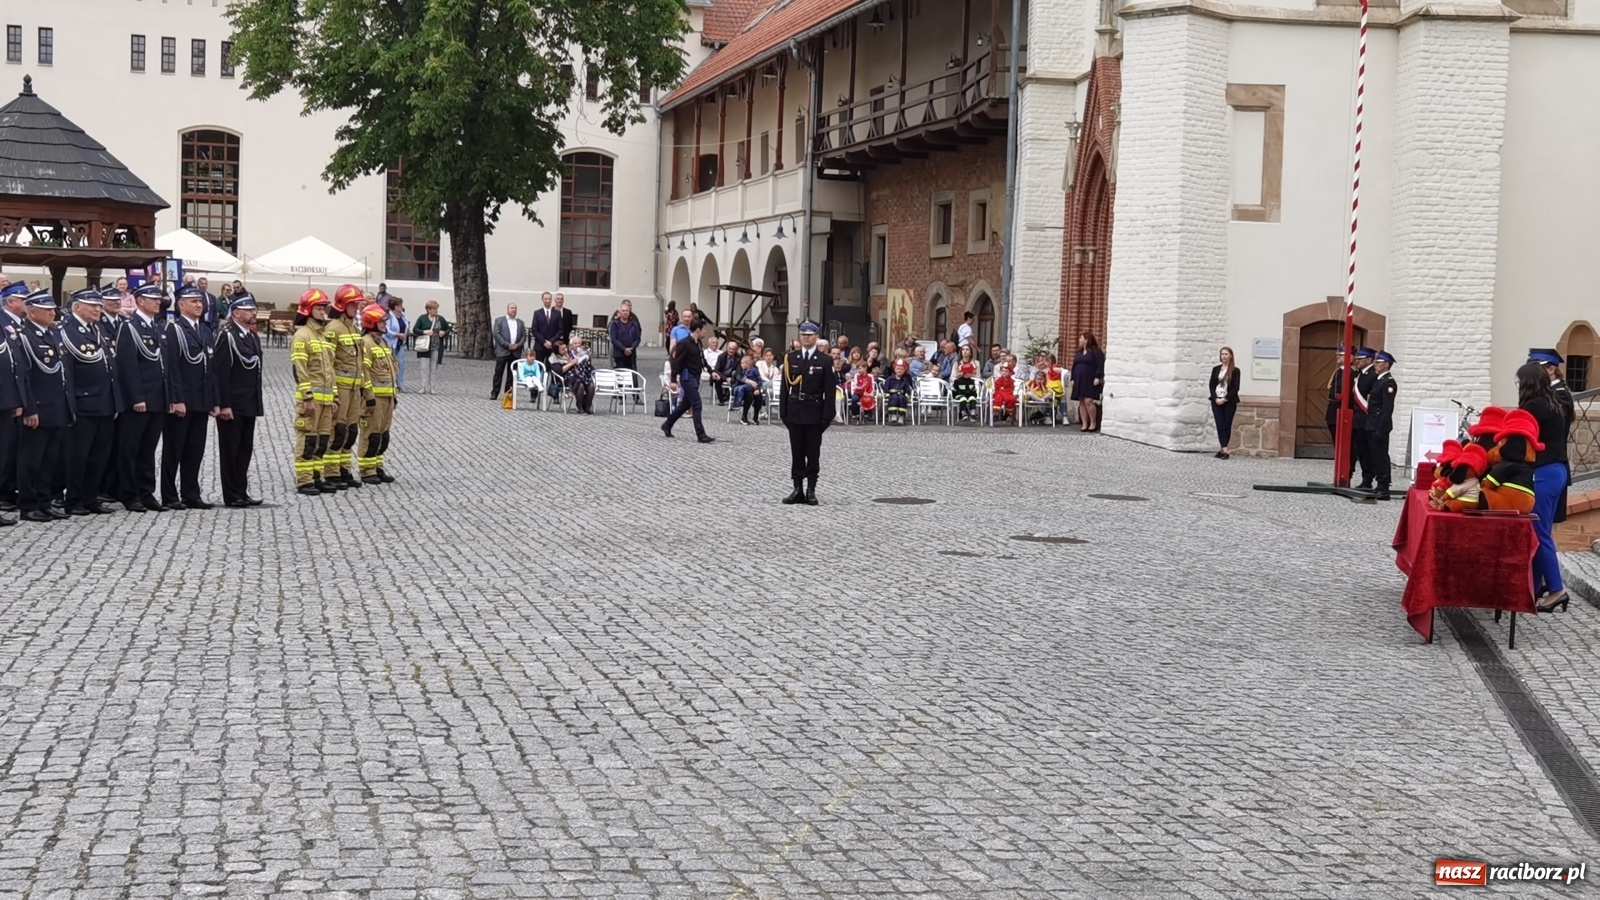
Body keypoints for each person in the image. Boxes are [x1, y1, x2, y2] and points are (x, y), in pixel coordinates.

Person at [1513, 362, 1571, 612]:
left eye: (1519, 382)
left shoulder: (1532, 407)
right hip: (1558, 470)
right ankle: (1534, 587)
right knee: (1540, 529)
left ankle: (1556, 589)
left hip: (1544, 473)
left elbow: (1518, 441)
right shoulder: (1554, 403)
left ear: (1527, 383)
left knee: (1538, 533)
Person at [60, 289, 118, 516]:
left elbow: (110, 369)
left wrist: (115, 401)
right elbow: (68, 373)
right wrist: (71, 406)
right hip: (83, 404)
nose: (98, 309)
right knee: (78, 456)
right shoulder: (67, 331)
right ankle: (73, 500)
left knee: (99, 455)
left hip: (104, 403)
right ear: (77, 307)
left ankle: (90, 497)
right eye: (92, 306)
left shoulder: (98, 330)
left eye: (99, 306)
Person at [15, 290, 72, 522]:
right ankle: (28, 505)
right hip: (37, 408)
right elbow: (23, 376)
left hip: (56, 406)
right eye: (47, 310)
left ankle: (44, 501)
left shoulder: (52, 334)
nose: (53, 313)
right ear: (32, 312)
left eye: (53, 309)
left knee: (50, 459)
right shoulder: (23, 336)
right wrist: (29, 408)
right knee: (31, 459)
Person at [159, 286, 215, 509]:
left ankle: (191, 493)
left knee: (195, 450)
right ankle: (169, 495)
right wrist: (176, 399)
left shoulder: (206, 331)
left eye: (200, 301)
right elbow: (172, 368)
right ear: (181, 305)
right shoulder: (174, 330)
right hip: (182, 401)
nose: (198, 305)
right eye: (193, 301)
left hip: (201, 401)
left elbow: (211, 370)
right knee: (174, 449)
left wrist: (214, 401)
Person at [115, 284, 168, 512]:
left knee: (148, 449)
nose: (157, 302)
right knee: (130, 449)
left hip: (156, 399)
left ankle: (146, 492)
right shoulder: (130, 328)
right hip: (139, 401)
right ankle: (129, 494)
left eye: (158, 299)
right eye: (152, 299)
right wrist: (136, 398)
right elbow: (127, 367)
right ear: (139, 301)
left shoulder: (156, 327)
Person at [211, 291, 265, 507]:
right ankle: (231, 494)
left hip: (249, 402)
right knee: (230, 450)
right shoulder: (227, 336)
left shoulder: (250, 336)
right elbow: (220, 372)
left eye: (253, 309)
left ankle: (241, 491)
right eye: (249, 309)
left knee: (244, 449)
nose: (253, 313)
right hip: (232, 403)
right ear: (236, 313)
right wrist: (224, 404)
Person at [780, 321, 836, 503]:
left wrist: (827, 416)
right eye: (803, 334)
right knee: (796, 453)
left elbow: (829, 390)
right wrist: (783, 413)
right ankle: (797, 489)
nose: (805, 337)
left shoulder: (824, 361)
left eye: (809, 334)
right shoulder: (791, 358)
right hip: (795, 410)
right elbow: (784, 388)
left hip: (814, 412)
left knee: (812, 453)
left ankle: (811, 489)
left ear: (816, 337)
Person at [290, 289, 339, 495]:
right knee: (308, 440)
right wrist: (307, 397)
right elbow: (300, 371)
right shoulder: (302, 336)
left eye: (324, 308)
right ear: (308, 310)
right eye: (319, 308)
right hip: (311, 401)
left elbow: (330, 369)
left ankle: (317, 476)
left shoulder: (323, 336)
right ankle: (304, 480)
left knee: (322, 441)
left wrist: (335, 395)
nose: (323, 312)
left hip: (327, 401)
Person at [324, 284, 366, 490]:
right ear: (343, 305)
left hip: (355, 389)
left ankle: (344, 469)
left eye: (358, 304)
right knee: (337, 429)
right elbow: (328, 363)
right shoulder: (333, 329)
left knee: (350, 431)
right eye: (353, 304)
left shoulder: (354, 328)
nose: (357, 308)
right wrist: (332, 392)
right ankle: (331, 472)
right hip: (340, 388)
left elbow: (360, 362)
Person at [358, 304, 399, 484]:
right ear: (372, 322)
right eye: (381, 321)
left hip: (387, 397)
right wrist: (368, 397)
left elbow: (391, 370)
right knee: (371, 434)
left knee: (383, 435)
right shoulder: (366, 343)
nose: (384, 324)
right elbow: (364, 371)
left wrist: (393, 395)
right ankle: (367, 470)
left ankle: (377, 466)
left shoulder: (382, 342)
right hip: (373, 399)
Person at [661, 320, 713, 442]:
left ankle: (667, 425)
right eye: (703, 329)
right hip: (687, 377)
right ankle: (701, 435)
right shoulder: (684, 343)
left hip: (695, 376)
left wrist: (712, 371)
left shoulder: (698, 343)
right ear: (698, 330)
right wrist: (673, 380)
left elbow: (702, 359)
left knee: (685, 405)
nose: (705, 332)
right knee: (697, 404)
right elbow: (676, 362)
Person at [1364, 351, 1399, 500]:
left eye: (1378, 363)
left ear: (1386, 365)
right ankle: (1379, 485)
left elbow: (1387, 409)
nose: (1375, 365)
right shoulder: (1379, 380)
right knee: (1375, 456)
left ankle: (1384, 488)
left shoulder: (1388, 383)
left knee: (1381, 456)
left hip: (1379, 425)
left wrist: (1381, 429)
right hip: (1372, 423)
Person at [1351, 347, 1379, 488]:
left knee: (1368, 451)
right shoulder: (1361, 374)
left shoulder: (1373, 375)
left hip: (1366, 418)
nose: (1358, 361)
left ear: (1369, 360)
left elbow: (1372, 399)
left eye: (1361, 359)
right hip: (1359, 418)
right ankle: (1365, 478)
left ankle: (1368, 479)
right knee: (1361, 450)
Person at [410, 300, 452, 395]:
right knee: (423, 367)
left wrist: (444, 332)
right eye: (434, 309)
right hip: (425, 346)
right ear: (429, 309)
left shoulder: (440, 319)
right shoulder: (422, 318)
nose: (436, 311)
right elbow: (415, 329)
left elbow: (448, 328)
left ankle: (432, 386)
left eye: (437, 308)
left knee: (433, 368)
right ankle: (423, 386)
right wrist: (425, 332)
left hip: (436, 346)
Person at [1209, 346, 1241, 459]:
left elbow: (1236, 387)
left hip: (1229, 402)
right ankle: (1225, 450)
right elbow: (1212, 385)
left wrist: (1225, 398)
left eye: (1226, 354)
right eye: (1222, 354)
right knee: (1220, 424)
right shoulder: (1216, 369)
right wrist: (1215, 398)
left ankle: (1222, 449)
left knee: (1227, 425)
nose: (1224, 356)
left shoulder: (1235, 371)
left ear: (1231, 356)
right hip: (1216, 400)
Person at [1070, 332, 1105, 433]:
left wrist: (1098, 376)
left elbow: (1100, 364)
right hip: (1079, 379)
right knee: (1081, 401)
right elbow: (1074, 366)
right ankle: (1084, 423)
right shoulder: (1079, 352)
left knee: (1088, 401)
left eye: (1081, 338)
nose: (1079, 340)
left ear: (1087, 339)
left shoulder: (1095, 351)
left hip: (1090, 379)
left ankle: (1093, 422)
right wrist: (1073, 378)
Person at [490, 302, 526, 397]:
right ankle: (495, 392)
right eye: (511, 308)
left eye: (515, 308)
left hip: (515, 352)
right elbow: (497, 334)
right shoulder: (499, 320)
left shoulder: (520, 323)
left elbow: (523, 337)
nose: (513, 310)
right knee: (498, 373)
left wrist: (517, 345)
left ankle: (508, 393)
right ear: (507, 309)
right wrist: (506, 345)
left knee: (512, 374)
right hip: (502, 351)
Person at [564, 335, 597, 414]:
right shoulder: (568, 354)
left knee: (591, 386)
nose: (578, 345)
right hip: (572, 376)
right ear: (571, 345)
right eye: (575, 343)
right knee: (580, 386)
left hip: (584, 375)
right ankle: (580, 407)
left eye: (579, 343)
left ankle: (588, 407)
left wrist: (589, 358)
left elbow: (588, 366)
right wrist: (572, 362)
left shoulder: (585, 354)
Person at [609, 299, 642, 371]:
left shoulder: (634, 324)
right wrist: (624, 349)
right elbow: (614, 339)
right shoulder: (614, 324)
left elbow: (637, 338)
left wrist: (632, 348)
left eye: (626, 311)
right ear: (620, 312)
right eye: (623, 311)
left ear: (629, 311)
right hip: (619, 354)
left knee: (631, 375)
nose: (625, 313)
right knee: (620, 375)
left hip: (631, 353)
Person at [951, 345, 980, 423]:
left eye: (967, 349)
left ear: (970, 352)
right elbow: (952, 377)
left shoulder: (976, 363)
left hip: (971, 385)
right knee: (961, 396)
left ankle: (971, 412)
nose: (965, 351)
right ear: (961, 352)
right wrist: (959, 375)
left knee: (972, 397)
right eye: (963, 349)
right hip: (960, 385)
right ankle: (964, 413)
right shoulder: (956, 363)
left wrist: (971, 375)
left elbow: (978, 377)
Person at [385, 297, 408, 390]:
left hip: (401, 343)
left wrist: (406, 333)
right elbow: (386, 330)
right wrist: (396, 334)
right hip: (391, 342)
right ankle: (391, 383)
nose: (402, 307)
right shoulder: (389, 316)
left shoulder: (403, 315)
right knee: (391, 364)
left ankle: (400, 383)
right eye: (400, 305)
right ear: (395, 306)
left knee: (400, 364)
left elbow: (406, 325)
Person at [735, 353, 763, 425]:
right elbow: (738, 377)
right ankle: (744, 416)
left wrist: (757, 389)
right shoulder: (740, 368)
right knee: (749, 395)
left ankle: (755, 417)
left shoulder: (755, 369)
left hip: (753, 388)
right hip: (741, 389)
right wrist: (749, 382)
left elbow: (759, 380)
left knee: (759, 396)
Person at [883, 357, 913, 426]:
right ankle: (893, 414)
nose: (899, 370)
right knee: (894, 398)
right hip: (892, 395)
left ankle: (901, 416)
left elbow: (907, 389)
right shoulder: (890, 379)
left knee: (902, 399)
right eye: (898, 369)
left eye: (901, 369)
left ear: (904, 371)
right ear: (894, 369)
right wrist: (887, 394)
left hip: (902, 395)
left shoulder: (905, 380)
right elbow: (886, 387)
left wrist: (907, 395)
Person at [532, 292, 560, 363]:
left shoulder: (557, 313)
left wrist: (551, 341)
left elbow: (560, 330)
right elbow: (534, 330)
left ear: (551, 300)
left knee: (551, 368)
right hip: (540, 346)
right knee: (538, 367)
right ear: (542, 300)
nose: (547, 301)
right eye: (546, 299)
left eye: (549, 299)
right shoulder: (537, 313)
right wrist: (544, 342)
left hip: (552, 346)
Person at [990, 358, 1016, 424]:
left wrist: (1008, 390)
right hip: (1000, 392)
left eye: (1006, 371)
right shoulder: (999, 380)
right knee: (998, 398)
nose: (1004, 372)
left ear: (1010, 372)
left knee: (1012, 399)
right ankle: (996, 412)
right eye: (1003, 371)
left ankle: (1007, 413)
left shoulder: (1011, 380)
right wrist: (1003, 389)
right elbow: (997, 387)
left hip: (1008, 393)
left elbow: (1012, 387)